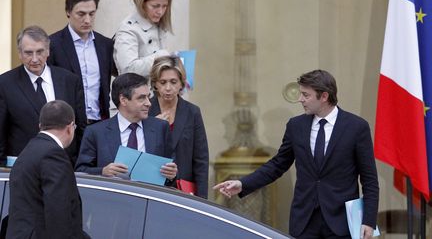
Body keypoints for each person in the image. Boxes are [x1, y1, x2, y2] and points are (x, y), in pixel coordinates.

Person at [213, 70, 379, 239]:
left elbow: (370, 179)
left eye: (306, 95)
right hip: (304, 223)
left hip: (342, 223)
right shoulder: (296, 126)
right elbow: (277, 165)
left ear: (324, 96)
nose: (300, 99)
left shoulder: (356, 127)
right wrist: (242, 184)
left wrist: (369, 220)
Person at [0, 25, 86, 166]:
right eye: (28, 53)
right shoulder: (5, 84)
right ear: (19, 54)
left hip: (64, 165)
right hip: (24, 168)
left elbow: (81, 126)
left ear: (48, 51)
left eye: (39, 52)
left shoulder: (69, 80)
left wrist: (78, 164)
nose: (34, 59)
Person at [6, 100, 90, 239]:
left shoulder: (29, 150)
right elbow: (59, 211)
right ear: (70, 127)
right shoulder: (53, 154)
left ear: (40, 126)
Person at [75, 72, 177, 185]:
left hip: (149, 199)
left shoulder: (160, 128)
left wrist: (172, 175)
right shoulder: (96, 132)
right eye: (141, 98)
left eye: (148, 97)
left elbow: (170, 173)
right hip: (112, 199)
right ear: (123, 100)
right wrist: (103, 171)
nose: (148, 103)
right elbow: (81, 172)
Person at [149, 56, 209, 198]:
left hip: (182, 191)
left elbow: (201, 159)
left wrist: (201, 201)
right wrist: (152, 127)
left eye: (173, 82)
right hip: (150, 188)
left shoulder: (192, 112)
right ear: (155, 84)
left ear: (181, 84)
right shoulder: (146, 110)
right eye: (163, 82)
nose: (168, 88)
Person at [48, 0, 114, 123]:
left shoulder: (105, 44)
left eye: (92, 14)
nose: (87, 20)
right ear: (68, 12)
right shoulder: (53, 45)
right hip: (67, 123)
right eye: (81, 14)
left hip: (100, 121)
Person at [113, 0, 172, 76]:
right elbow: (128, 69)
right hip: (136, 87)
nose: (160, 12)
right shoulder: (128, 29)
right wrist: (160, 57)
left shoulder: (160, 24)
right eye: (155, 6)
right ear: (142, 3)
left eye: (164, 6)